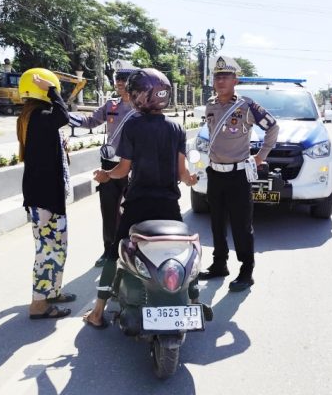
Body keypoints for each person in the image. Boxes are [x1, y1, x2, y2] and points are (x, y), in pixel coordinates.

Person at [82, 68, 199, 329]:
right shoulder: (177, 128)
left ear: (140, 96)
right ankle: (192, 301)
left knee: (114, 253)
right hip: (169, 204)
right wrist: (191, 180)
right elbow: (182, 173)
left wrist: (104, 175)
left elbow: (123, 169)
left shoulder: (133, 125)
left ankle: (98, 312)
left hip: (138, 204)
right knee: (183, 250)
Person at [197, 56, 280, 292]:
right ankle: (219, 264)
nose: (221, 81)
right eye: (217, 76)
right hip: (215, 173)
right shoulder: (211, 104)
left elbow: (273, 127)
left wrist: (261, 156)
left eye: (226, 76)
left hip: (238, 175)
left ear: (235, 80)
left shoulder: (246, 105)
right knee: (216, 222)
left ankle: (246, 271)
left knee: (241, 225)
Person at [16, 68, 76, 320]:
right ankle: (39, 304)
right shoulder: (40, 115)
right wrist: (52, 91)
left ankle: (51, 292)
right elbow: (64, 116)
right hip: (44, 197)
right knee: (48, 250)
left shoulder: (32, 116)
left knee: (57, 247)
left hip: (45, 194)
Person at [67, 62, 138, 267]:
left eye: (125, 79)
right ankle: (109, 250)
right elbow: (91, 121)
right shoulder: (111, 105)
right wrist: (67, 116)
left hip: (133, 166)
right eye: (118, 79)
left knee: (133, 209)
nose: (120, 83)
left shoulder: (142, 107)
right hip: (109, 165)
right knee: (108, 210)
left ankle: (133, 248)